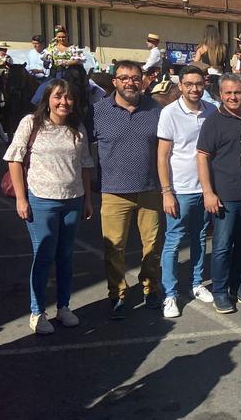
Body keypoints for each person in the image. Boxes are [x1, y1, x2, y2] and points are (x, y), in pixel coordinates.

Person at [4, 79, 94, 334]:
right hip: (41, 200)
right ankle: (37, 312)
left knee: (65, 256)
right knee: (43, 256)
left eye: (68, 97)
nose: (64, 102)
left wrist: (87, 198)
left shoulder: (77, 128)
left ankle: (63, 306)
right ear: (48, 99)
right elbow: (14, 159)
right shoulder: (31, 123)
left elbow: (85, 165)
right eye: (58, 97)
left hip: (73, 199)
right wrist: (21, 199)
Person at [93, 60, 165, 319]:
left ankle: (150, 288)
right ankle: (117, 295)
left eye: (135, 78)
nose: (130, 82)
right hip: (113, 191)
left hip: (149, 188)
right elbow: (84, 150)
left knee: (152, 245)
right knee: (114, 248)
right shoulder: (98, 111)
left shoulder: (156, 110)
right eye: (124, 78)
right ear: (115, 82)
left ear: (143, 80)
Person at [157, 65, 217, 318]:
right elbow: (162, 156)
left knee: (200, 237)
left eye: (199, 84)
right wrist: (166, 191)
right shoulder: (170, 113)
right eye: (189, 84)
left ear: (204, 84)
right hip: (180, 189)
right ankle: (170, 294)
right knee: (172, 242)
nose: (194, 89)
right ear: (180, 86)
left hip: (204, 187)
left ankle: (196, 283)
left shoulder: (211, 110)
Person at [195, 74, 241, 313]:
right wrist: (208, 192)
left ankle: (237, 286)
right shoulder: (213, 122)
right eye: (228, 93)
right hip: (225, 194)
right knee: (222, 246)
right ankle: (220, 291)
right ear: (221, 95)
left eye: (237, 92)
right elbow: (202, 157)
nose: (233, 97)